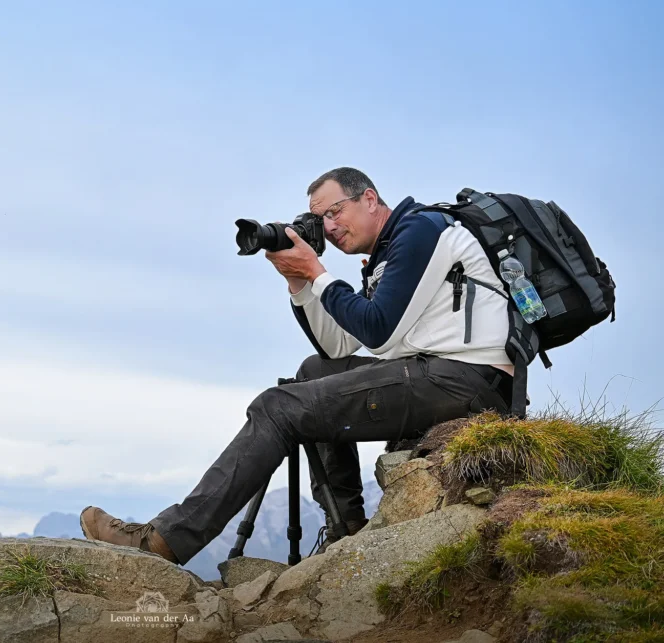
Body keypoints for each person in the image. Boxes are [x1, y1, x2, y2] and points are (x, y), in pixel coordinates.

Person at [80, 167, 515, 566]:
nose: (328, 226)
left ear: (368, 198)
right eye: (321, 218)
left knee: (278, 406)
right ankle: (347, 529)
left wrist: (317, 270)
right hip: (436, 373)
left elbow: (379, 330)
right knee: (312, 372)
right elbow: (339, 345)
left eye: (334, 211)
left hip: (465, 380)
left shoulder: (421, 229)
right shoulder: (388, 253)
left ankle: (163, 541)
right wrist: (300, 284)